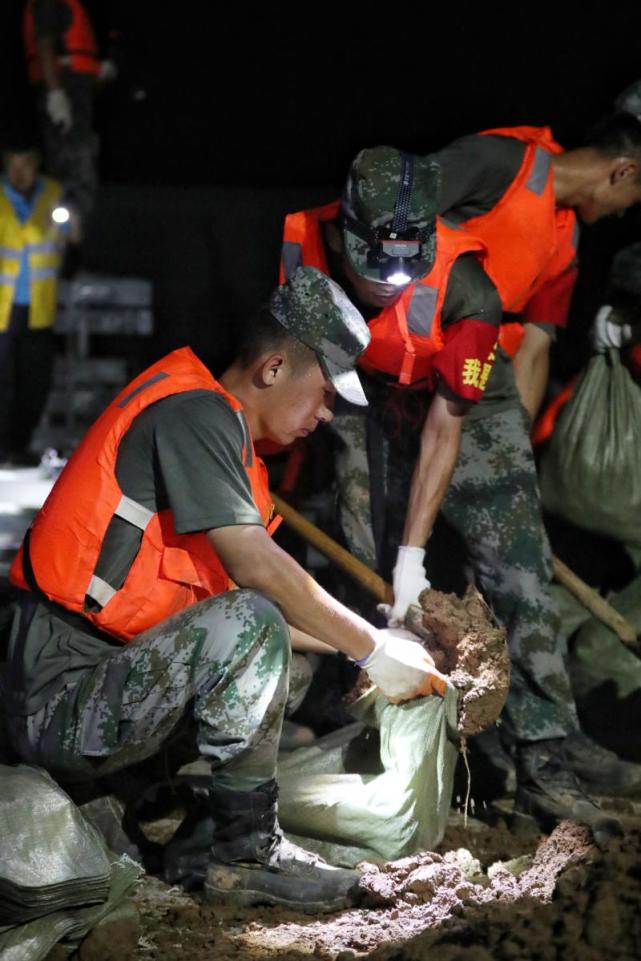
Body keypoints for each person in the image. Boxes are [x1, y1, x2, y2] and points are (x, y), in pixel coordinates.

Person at [1, 266, 447, 912]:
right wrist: (371, 643)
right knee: (259, 629)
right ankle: (242, 854)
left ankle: (197, 829)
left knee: (283, 663)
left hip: (99, 672)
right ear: (271, 368)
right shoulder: (196, 414)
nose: (323, 416)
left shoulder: (232, 453)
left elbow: (253, 622)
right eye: (322, 393)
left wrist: (375, 652)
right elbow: (257, 582)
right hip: (57, 687)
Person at [417, 112, 641, 822]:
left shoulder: (565, 239)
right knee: (394, 571)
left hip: (482, 392)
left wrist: (514, 460)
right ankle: (400, 749)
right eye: (633, 196)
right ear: (621, 171)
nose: (627, 213)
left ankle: (546, 751)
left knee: (520, 571)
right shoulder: (497, 164)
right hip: (398, 378)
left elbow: (535, 349)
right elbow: (388, 216)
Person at [280, 147, 502, 620]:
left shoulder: (471, 293)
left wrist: (411, 559)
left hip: (445, 391)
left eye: (406, 268)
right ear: (342, 239)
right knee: (360, 523)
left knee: (503, 548)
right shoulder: (306, 248)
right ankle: (361, 656)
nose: (390, 283)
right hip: (355, 381)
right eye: (374, 265)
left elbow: (445, 429)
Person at [0, 143, 77, 466]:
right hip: (2, 308)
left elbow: (71, 244)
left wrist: (72, 232)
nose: (19, 174)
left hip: (39, 308)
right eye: (12, 166)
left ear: (36, 165)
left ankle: (18, 446)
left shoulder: (54, 195)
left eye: (25, 165)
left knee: (34, 381)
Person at [23, 0, 109, 224]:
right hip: (64, 88)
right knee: (72, 159)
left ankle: (71, 230)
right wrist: (55, 94)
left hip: (75, 90)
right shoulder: (51, 3)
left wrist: (101, 72)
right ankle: (69, 233)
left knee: (76, 156)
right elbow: (45, 45)